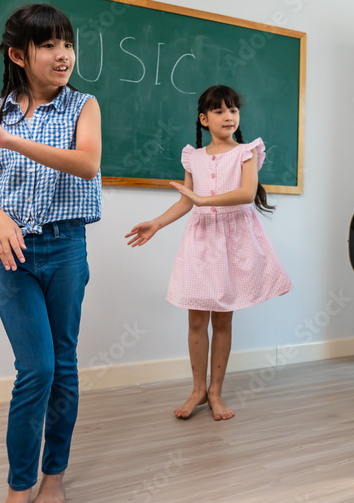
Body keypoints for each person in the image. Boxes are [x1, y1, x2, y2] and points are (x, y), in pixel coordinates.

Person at [0, 4, 102, 503]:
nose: (63, 54)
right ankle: (17, 488)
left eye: (67, 43)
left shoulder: (84, 105)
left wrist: (12, 141)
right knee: (37, 370)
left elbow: (87, 163)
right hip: (12, 252)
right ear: (18, 54)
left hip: (66, 246)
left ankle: (54, 477)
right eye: (48, 45)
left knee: (63, 363)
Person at [125, 85, 292, 421]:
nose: (228, 116)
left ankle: (216, 392)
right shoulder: (193, 156)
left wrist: (204, 201)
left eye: (233, 110)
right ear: (204, 119)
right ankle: (197, 390)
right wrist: (156, 224)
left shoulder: (247, 152)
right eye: (219, 111)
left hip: (234, 240)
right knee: (196, 319)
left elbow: (246, 193)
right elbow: (187, 200)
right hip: (201, 242)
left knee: (224, 319)